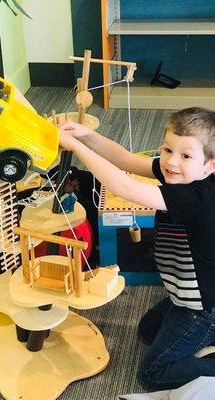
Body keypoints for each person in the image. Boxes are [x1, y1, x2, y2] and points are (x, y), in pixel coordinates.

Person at [58, 107, 215, 390]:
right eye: (168, 150)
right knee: (147, 332)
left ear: (210, 166)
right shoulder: (183, 172)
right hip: (185, 297)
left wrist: (75, 147)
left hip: (202, 308)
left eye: (186, 155)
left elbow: (125, 186)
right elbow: (127, 160)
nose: (171, 162)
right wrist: (87, 135)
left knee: (152, 373)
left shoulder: (197, 196)